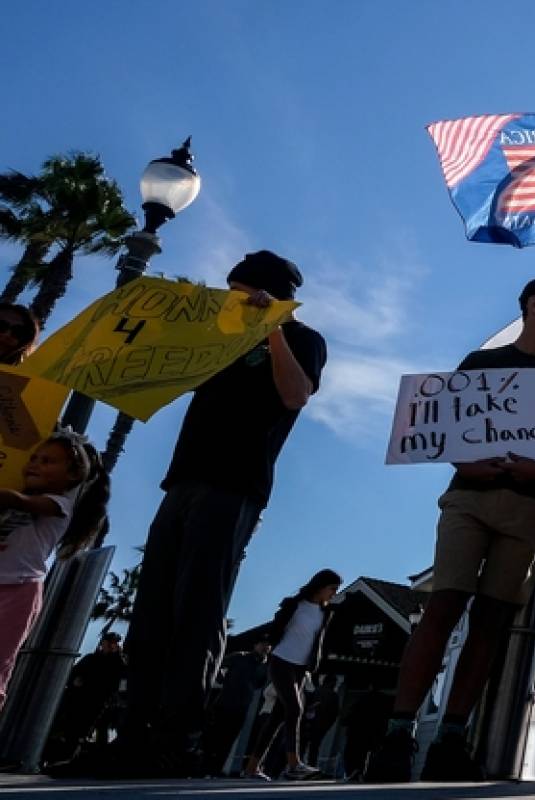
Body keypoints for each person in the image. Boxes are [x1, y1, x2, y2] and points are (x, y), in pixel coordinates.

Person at [65, 252, 326, 779]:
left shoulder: (303, 339)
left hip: (234, 486)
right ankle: (134, 734)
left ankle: (177, 737)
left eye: (241, 291)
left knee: (198, 610)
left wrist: (272, 326)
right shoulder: (221, 335)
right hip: (182, 479)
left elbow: (295, 395)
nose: (233, 299)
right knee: (153, 610)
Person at [364, 276, 535, 783]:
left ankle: (450, 737)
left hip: (530, 507)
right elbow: (444, 428)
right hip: (469, 498)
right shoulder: (480, 364)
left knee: (491, 619)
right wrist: (468, 463)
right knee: (443, 603)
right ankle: (398, 734)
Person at [0, 430, 110, 714]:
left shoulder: (59, 505)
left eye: (48, 461)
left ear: (73, 476)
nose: (34, 464)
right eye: (34, 458)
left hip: (19, 591)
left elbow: (20, 502)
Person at [243, 569, 338, 782]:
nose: (334, 593)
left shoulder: (325, 613)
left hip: (300, 668)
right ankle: (294, 764)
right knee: (295, 708)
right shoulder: (295, 605)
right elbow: (276, 627)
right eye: (332, 589)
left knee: (278, 716)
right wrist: (268, 642)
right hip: (281, 661)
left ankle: (252, 767)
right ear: (321, 586)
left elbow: (317, 641)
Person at [46, 632, 126, 764]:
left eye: (115, 643)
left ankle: (81, 758)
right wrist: (75, 681)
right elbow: (72, 674)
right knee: (70, 729)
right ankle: (60, 757)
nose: (112, 646)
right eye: (109, 642)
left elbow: (119, 684)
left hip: (101, 703)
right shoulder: (91, 659)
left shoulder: (119, 664)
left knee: (92, 731)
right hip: (79, 699)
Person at [201, 639, 272, 776]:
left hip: (242, 707)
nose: (265, 647)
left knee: (228, 739)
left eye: (268, 645)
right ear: (255, 644)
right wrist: (224, 681)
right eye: (262, 643)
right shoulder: (240, 657)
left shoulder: (265, 666)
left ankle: (216, 770)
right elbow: (217, 665)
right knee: (213, 737)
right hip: (224, 703)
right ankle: (204, 767)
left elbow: (260, 684)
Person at [301, 675, 340, 769]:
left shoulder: (316, 691)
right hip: (321, 726)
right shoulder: (334, 696)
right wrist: (326, 727)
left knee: (302, 745)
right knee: (314, 748)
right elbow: (334, 714)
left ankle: (297, 765)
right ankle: (311, 767)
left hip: (308, 723)